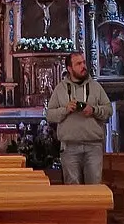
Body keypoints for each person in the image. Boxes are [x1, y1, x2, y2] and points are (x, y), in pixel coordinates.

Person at [44, 50, 112, 184]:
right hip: (70, 147)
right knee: (73, 189)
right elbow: (49, 115)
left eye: (84, 63)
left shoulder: (95, 87)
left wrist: (93, 110)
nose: (83, 66)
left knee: (94, 187)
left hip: (93, 146)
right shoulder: (60, 89)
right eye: (79, 64)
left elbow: (109, 110)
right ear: (70, 68)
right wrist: (65, 110)